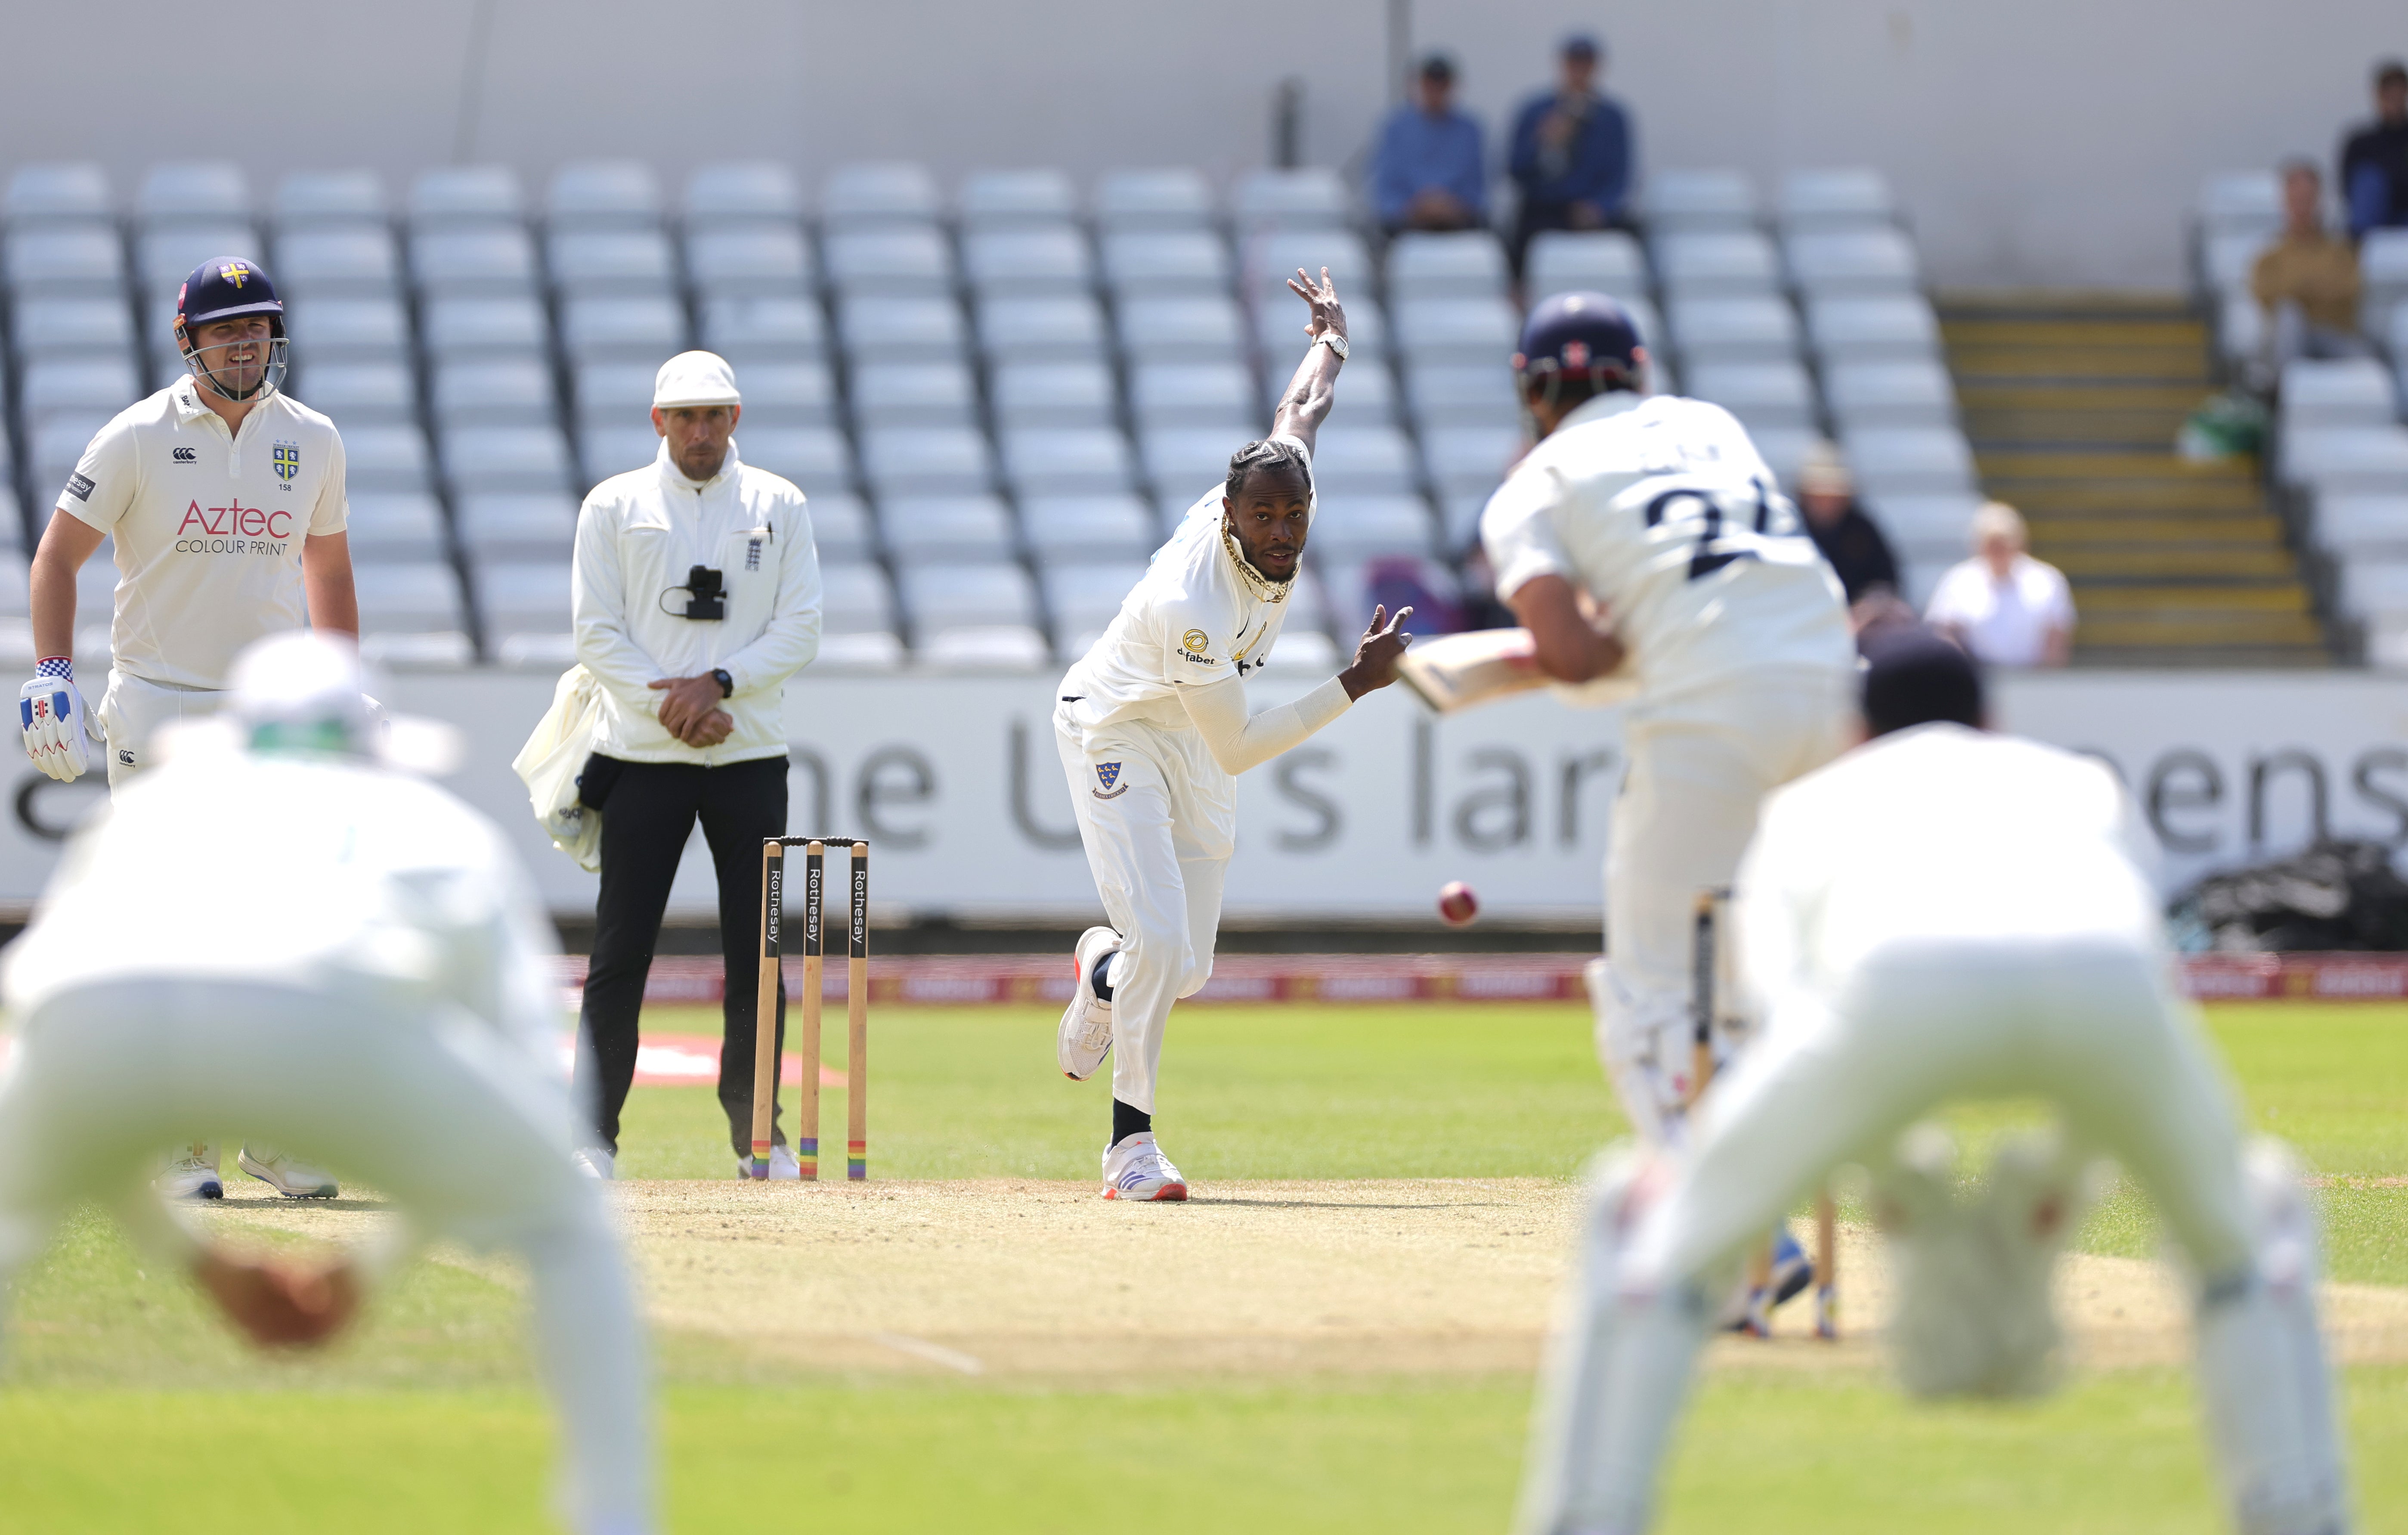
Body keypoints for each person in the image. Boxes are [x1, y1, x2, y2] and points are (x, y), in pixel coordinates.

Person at [1514, 630, 2349, 1535]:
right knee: (2249, 1237)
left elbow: (1787, 1010)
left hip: (1892, 986)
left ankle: (1589, 1516)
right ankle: (2302, 1515)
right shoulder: (2077, 784)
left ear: (1854, 730)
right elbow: (2144, 985)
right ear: (1991, 720)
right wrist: (2053, 1187)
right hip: (2106, 987)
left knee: (1648, 1233)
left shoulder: (1810, 805)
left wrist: (1902, 1186)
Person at [0, 632, 653, 1535]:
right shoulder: (436, 828)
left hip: (94, 1016)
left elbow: (66, 1046)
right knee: (567, 1221)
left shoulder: (147, 810)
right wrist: (369, 1269)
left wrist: (197, 1262)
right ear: (374, 745)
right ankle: (614, 1518)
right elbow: (529, 1085)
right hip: (343, 1012)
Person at [1052, 267, 1414, 1201]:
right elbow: (1242, 747)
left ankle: (1102, 974)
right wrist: (1353, 685)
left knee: (1187, 966)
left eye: (1293, 514)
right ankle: (1130, 1148)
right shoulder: (1193, 602)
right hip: (1121, 728)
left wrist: (1332, 338)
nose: (1284, 531)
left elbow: (1303, 409)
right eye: (1264, 516)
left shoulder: (1286, 481)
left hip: (1199, 728)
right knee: (1164, 944)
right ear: (1228, 514)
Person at [1480, 292, 1855, 1152]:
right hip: (1840, 689)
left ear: (1531, 393)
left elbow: (1571, 656)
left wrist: (1605, 635)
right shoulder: (1712, 425)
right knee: (1762, 969)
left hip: (1715, 704)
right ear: (1639, 371)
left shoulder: (1530, 485)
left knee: (1649, 991)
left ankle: (1714, 1228)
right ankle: (1775, 1201)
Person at [18, 255, 357, 1203]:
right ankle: (182, 1147)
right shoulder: (135, 436)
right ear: (189, 342)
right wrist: (52, 673)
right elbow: (57, 557)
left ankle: (276, 1133)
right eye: (228, 330)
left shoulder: (314, 440)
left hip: (272, 715)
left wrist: (344, 680)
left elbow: (328, 574)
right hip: (159, 699)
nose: (247, 344)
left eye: (259, 327)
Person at [571, 351, 824, 1181]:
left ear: (736, 418)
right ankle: (590, 1140)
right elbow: (595, 632)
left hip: (747, 753)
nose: (701, 430)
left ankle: (760, 1137)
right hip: (643, 755)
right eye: (685, 416)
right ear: (658, 422)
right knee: (621, 951)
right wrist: (673, 707)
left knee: (757, 953)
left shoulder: (779, 503)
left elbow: (801, 628)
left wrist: (718, 685)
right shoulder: (612, 504)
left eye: (715, 415)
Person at [1507, 35, 1634, 272]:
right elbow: (1516, 170)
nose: (1579, 70)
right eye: (1574, 63)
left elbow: (1621, 175)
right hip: (1546, 210)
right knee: (1522, 231)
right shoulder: (1536, 111)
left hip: (1594, 211)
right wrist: (1544, 144)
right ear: (1562, 64)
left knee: (1629, 239)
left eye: (1585, 63)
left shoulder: (1612, 117)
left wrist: (1599, 207)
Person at [2249, 159, 2369, 381]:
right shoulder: (2269, 258)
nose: (2302, 208)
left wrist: (2297, 289)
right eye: (2296, 200)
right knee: (2289, 316)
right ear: (2285, 202)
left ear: (2319, 201)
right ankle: (2285, 392)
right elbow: (2268, 299)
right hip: (2290, 341)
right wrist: (2312, 291)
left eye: (2307, 200)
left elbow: (2348, 292)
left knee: (2364, 361)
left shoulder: (2341, 253)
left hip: (2334, 336)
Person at [1923, 501, 2074, 667]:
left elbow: (2057, 638)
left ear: (2019, 544)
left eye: (2004, 544)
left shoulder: (2047, 580)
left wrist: (2045, 682)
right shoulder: (1958, 580)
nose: (1998, 551)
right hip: (1978, 678)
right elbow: (1944, 633)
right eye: (1992, 545)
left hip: (2032, 680)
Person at [1371, 53, 1488, 235]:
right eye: (1430, 83)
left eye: (1442, 84)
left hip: (1458, 221)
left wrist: (1452, 206)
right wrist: (1415, 207)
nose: (1436, 90)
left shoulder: (1470, 130)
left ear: (1453, 86)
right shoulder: (1396, 128)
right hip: (1407, 221)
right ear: (1418, 85)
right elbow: (1385, 185)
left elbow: (1479, 185)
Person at [1794, 440, 1900, 606]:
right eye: (1820, 496)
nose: (1827, 503)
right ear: (1805, 496)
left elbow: (1886, 580)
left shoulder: (1862, 530)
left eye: (1834, 496)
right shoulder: (1789, 527)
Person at [2339, 58, 2408, 238]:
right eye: (2388, 92)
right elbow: (2349, 191)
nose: (2394, 98)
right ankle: (2361, 246)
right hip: (2373, 224)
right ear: (2378, 95)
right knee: (2368, 179)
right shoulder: (2361, 143)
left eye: (2398, 90)